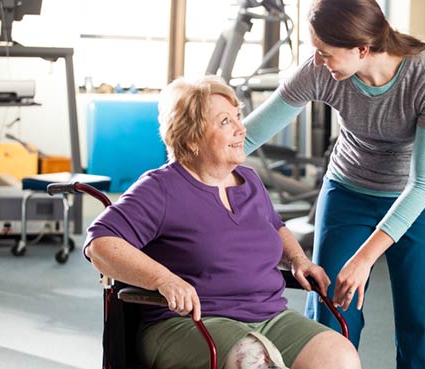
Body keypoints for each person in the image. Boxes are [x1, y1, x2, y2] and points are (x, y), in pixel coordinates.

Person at [84, 76, 361, 369]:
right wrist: (163, 279)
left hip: (269, 316)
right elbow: (100, 243)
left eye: (238, 117)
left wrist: (297, 259)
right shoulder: (161, 188)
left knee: (339, 355)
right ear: (191, 138)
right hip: (189, 323)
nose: (241, 128)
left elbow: (275, 225)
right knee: (253, 360)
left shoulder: (249, 181)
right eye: (225, 121)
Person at [242, 1, 425, 368]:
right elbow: (249, 135)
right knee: (331, 313)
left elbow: (421, 184)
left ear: (362, 49)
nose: (317, 61)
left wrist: (364, 259)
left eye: (325, 53)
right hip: (350, 190)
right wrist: (182, 169)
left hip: (423, 200)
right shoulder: (320, 70)